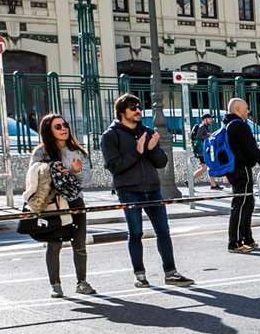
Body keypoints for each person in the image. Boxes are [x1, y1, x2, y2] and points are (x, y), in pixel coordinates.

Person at [100, 94, 193, 289]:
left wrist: (151, 149)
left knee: (163, 230)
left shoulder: (148, 132)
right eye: (133, 108)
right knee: (135, 233)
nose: (138, 111)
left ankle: (171, 273)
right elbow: (114, 166)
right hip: (128, 191)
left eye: (139, 107)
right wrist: (137, 151)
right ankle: (140, 275)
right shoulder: (110, 135)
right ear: (121, 112)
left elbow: (162, 162)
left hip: (152, 189)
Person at [26, 113, 95, 297]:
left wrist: (76, 172)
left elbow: (87, 178)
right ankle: (55, 285)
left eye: (65, 125)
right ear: (48, 131)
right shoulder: (41, 152)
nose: (64, 129)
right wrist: (52, 171)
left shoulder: (77, 151)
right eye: (58, 126)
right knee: (54, 244)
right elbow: (33, 177)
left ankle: (82, 282)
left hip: (75, 200)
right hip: (53, 203)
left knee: (79, 242)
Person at [222, 98, 260, 254]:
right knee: (241, 204)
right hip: (241, 169)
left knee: (247, 203)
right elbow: (251, 149)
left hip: (233, 169)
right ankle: (234, 242)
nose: (248, 111)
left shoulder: (227, 124)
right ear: (238, 109)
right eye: (246, 108)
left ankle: (247, 238)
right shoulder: (240, 126)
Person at [189, 114, 221, 190]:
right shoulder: (202, 127)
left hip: (204, 150)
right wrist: (208, 136)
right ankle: (189, 181)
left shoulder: (205, 127)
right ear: (204, 119)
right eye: (209, 119)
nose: (211, 120)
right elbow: (197, 137)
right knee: (206, 167)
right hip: (202, 151)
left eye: (211, 119)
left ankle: (213, 184)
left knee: (206, 167)